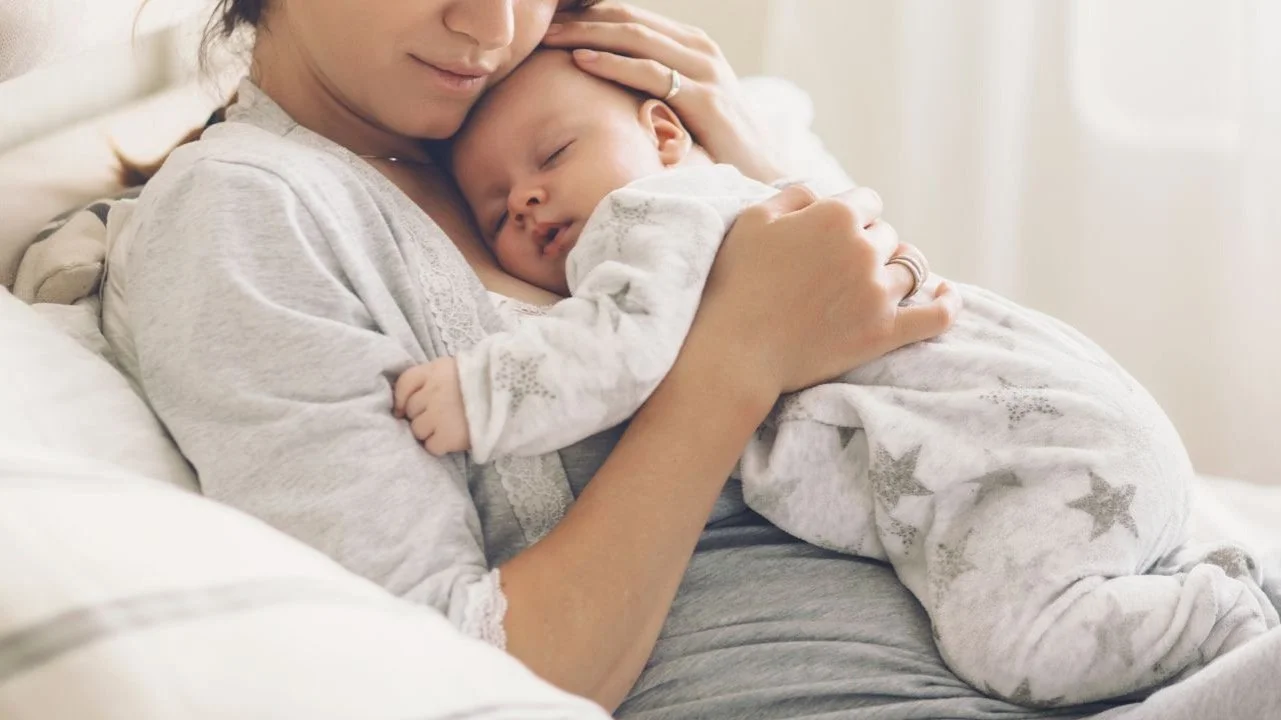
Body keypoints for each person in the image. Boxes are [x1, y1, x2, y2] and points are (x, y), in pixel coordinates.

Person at [102, 1, 1281, 718]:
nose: (491, 24)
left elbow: (908, 360)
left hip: (1094, 621)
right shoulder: (249, 217)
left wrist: (768, 179)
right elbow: (446, 675)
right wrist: (738, 350)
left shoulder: (557, 92)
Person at [393, 49, 1277, 706]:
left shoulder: (649, 218)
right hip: (1061, 435)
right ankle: (1221, 585)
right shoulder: (749, 204)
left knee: (1017, 642)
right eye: (497, 207)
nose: (528, 202)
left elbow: (611, 353)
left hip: (1023, 452)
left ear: (665, 135)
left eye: (550, 158)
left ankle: (1224, 623)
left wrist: (484, 393)